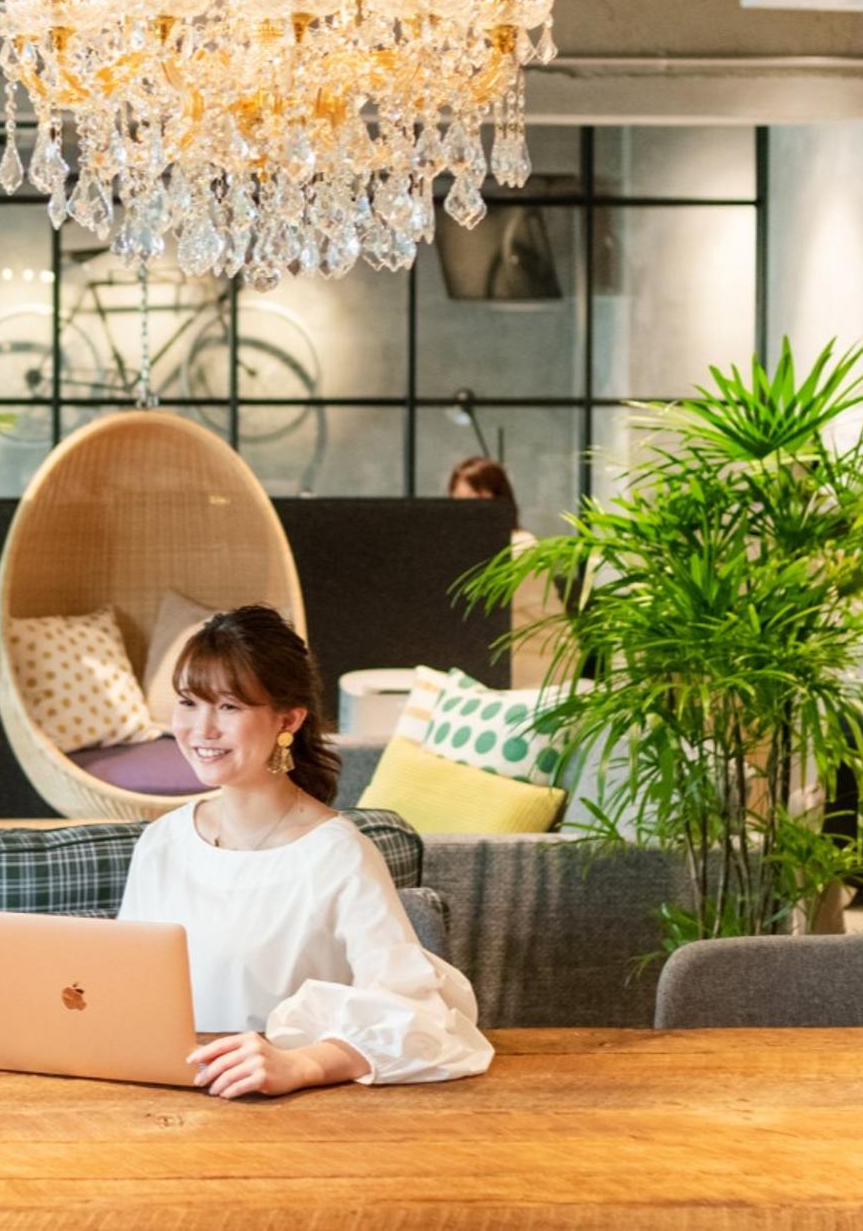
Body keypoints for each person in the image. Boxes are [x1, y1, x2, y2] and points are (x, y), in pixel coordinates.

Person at [116, 606, 494, 1098]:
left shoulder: (338, 855)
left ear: (288, 719)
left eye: (228, 707)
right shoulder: (162, 841)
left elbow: (420, 1016)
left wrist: (299, 1065)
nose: (202, 729)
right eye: (189, 702)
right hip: (165, 1099)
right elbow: (124, 986)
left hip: (283, 1113)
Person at [448, 457, 559, 688]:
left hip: (539, 655)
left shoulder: (521, 547)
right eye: (458, 502)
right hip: (502, 654)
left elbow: (481, 608)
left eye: (476, 501)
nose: (466, 511)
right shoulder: (470, 549)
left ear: (499, 501)